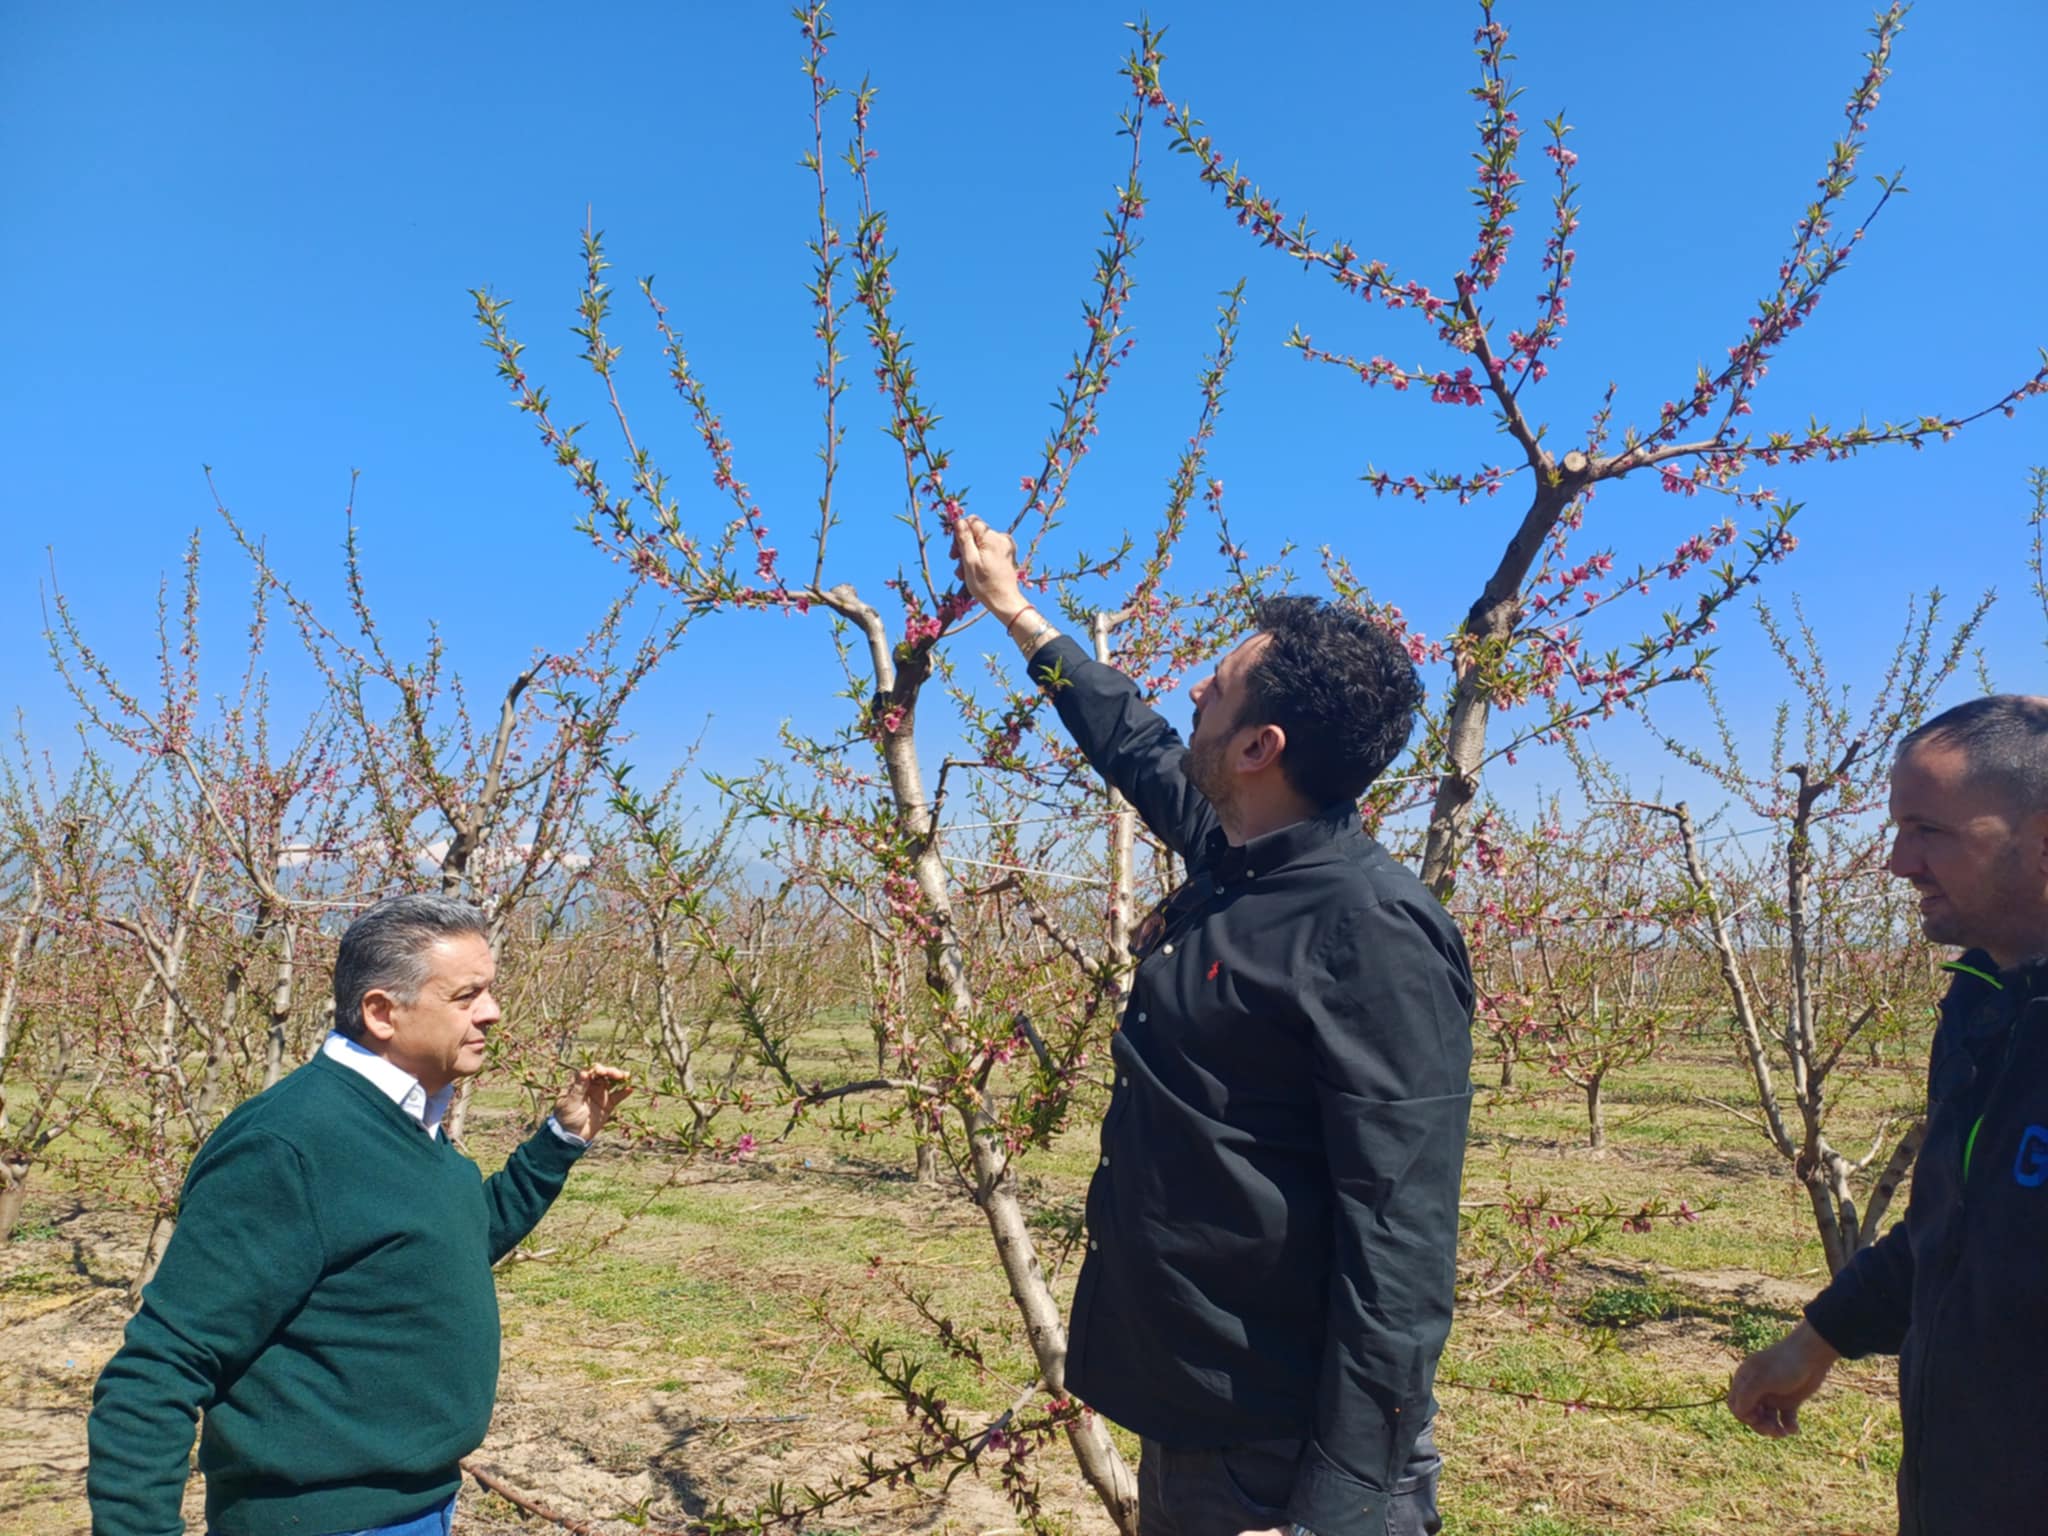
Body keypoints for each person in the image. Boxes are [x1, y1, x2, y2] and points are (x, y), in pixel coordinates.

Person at [953, 517, 1474, 1536]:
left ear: (1255, 747)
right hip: (1202, 1415)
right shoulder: (1244, 861)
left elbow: (1401, 1238)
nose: (1190, 690)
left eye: (1216, 685)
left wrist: (1337, 1509)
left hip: (1281, 1457)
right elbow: (1135, 745)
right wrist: (1014, 612)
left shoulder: (1366, 930)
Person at [88, 893, 632, 1536]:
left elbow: (449, 1243)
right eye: (466, 996)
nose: (492, 1013)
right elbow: (160, 1366)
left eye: (489, 991)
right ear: (382, 1011)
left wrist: (559, 1142)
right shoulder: (290, 1144)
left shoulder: (406, 1121)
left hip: (414, 1503)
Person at [1728, 696, 2048, 1536]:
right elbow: (1955, 1224)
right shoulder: (1984, 1001)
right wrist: (1815, 1340)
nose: (1896, 863)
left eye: (1928, 830)